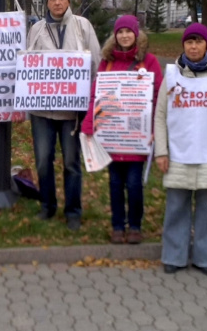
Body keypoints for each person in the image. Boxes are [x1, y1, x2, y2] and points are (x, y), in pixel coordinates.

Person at [153, 23, 207, 276]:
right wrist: (161, 151)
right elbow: (160, 115)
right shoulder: (172, 75)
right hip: (178, 154)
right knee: (176, 208)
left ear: (206, 44)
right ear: (184, 45)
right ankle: (174, 256)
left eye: (198, 41)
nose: (193, 46)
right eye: (189, 42)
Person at [26, 0, 101, 230]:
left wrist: (90, 101)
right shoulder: (36, 29)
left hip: (72, 111)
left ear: (69, 1)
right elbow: (28, 66)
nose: (57, 2)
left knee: (71, 161)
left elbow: (95, 66)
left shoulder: (82, 26)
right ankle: (47, 206)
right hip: (42, 111)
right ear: (46, 2)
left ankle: (73, 211)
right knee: (43, 160)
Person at [80, 15, 162, 244]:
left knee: (135, 184)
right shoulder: (106, 62)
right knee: (115, 184)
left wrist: (156, 128)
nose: (124, 36)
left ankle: (135, 226)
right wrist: (88, 125)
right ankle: (117, 226)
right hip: (112, 136)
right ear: (114, 35)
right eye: (120, 32)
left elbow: (157, 97)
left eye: (129, 31)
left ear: (137, 34)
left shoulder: (150, 62)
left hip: (137, 137)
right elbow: (96, 96)